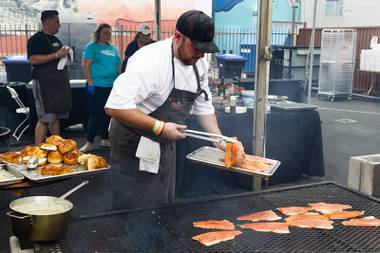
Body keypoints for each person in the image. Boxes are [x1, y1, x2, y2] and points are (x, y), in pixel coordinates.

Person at [105, 10, 224, 210]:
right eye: (196, 47)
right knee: (134, 208)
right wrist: (160, 127)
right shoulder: (149, 60)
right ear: (178, 37)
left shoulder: (200, 62)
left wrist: (219, 140)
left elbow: (204, 106)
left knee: (162, 202)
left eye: (205, 49)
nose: (201, 54)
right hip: (132, 140)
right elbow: (115, 106)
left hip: (164, 139)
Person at [27, 10, 72, 145]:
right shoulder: (36, 39)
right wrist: (57, 55)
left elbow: (58, 57)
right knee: (45, 119)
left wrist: (66, 55)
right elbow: (33, 60)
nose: (59, 25)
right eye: (56, 21)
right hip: (43, 84)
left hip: (57, 83)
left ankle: (57, 149)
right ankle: (37, 151)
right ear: (47, 21)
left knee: (55, 117)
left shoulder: (56, 40)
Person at [79, 23, 121, 152]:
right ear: (98, 33)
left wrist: (119, 81)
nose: (107, 35)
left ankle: (105, 138)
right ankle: (89, 142)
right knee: (95, 115)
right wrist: (90, 83)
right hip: (97, 85)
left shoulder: (113, 48)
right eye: (105, 33)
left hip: (111, 86)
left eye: (109, 33)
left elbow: (118, 64)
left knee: (108, 113)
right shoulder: (92, 47)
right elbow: (86, 66)